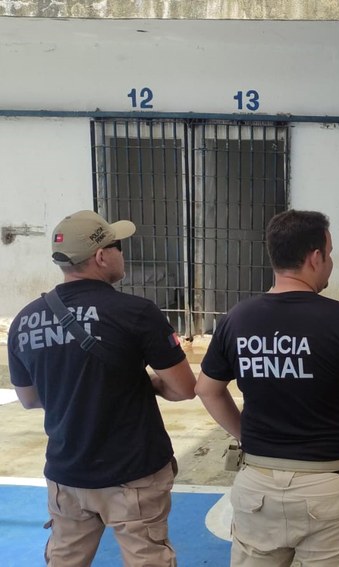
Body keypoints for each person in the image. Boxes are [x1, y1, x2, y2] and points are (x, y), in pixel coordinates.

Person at [195, 209, 339, 567]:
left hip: (257, 486)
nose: (330, 263)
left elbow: (207, 389)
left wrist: (246, 434)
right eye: (330, 254)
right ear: (315, 257)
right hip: (328, 488)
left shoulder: (237, 318)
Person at [7, 209, 197, 566]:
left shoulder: (24, 321)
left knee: (64, 559)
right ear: (100, 256)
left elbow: (29, 399)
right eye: (117, 246)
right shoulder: (136, 312)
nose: (122, 254)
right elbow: (184, 388)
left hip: (67, 475)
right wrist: (146, 383)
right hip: (133, 474)